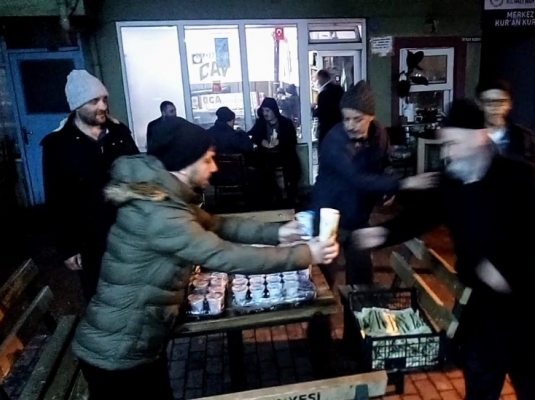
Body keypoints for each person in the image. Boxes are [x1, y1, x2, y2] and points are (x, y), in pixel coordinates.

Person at [72, 117, 339, 400]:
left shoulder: (164, 198)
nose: (215, 167)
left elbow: (218, 224)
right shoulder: (161, 215)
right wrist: (306, 254)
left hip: (134, 342)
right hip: (118, 353)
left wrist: (277, 232)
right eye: (208, 159)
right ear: (185, 164)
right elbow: (225, 256)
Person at [354, 99, 535, 400]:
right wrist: (381, 233)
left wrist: (503, 270)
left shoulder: (519, 175)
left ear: (479, 136)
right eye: (445, 144)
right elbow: (421, 216)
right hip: (483, 311)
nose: (447, 153)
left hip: (525, 309)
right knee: (480, 385)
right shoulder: (453, 181)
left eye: (453, 143)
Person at [310, 80, 437, 286]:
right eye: (346, 119)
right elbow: (356, 178)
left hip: (359, 215)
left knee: (362, 279)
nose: (350, 125)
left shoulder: (379, 134)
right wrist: (402, 184)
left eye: (357, 119)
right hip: (328, 216)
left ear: (371, 116)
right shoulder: (334, 141)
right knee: (323, 280)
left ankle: (358, 305)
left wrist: (386, 192)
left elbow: (383, 164)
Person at [41, 69, 139, 303]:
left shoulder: (119, 133)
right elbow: (57, 200)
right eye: (94, 101)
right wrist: (68, 247)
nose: (102, 106)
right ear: (77, 105)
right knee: (101, 298)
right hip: (91, 239)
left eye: (104, 99)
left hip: (129, 233)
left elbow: (139, 172)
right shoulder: (58, 145)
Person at [476, 79, 535, 164]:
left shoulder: (524, 137)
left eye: (501, 102)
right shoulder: (469, 135)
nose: (495, 107)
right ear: (479, 104)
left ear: (509, 104)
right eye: (489, 102)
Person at [249, 97, 301, 204]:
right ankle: (272, 195)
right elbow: (252, 135)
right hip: (266, 154)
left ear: (274, 110)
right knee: (261, 168)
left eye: (268, 110)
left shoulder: (285, 123)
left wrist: (280, 142)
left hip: (283, 154)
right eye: (263, 110)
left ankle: (291, 194)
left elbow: (293, 140)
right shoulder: (261, 123)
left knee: (294, 167)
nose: (265, 113)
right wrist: (262, 141)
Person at [314, 70, 344, 145]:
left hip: (327, 130)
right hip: (339, 127)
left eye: (317, 79)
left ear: (321, 78)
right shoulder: (339, 89)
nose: (317, 82)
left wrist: (313, 110)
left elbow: (322, 114)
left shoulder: (323, 94)